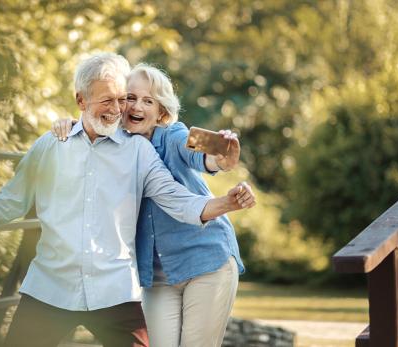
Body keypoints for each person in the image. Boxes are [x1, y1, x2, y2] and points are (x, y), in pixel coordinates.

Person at [0, 53, 256, 347]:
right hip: (51, 287)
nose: (119, 109)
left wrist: (224, 191)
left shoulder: (144, 148)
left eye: (122, 100)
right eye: (111, 100)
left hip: (116, 290)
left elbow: (178, 195)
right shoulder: (51, 145)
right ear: (80, 99)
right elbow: (12, 199)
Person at [51, 63, 252, 347]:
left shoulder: (173, 136)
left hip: (207, 261)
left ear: (162, 112)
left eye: (149, 101)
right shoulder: (111, 145)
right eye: (130, 98)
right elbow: (86, 131)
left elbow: (201, 153)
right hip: (157, 276)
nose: (138, 106)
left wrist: (221, 155)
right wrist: (70, 124)